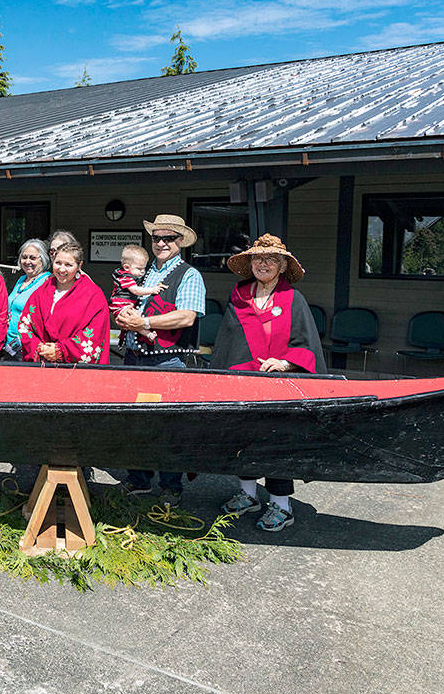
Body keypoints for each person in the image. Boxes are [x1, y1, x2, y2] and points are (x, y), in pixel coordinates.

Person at [212, 235, 326, 532]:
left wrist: (285, 362)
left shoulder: (294, 300)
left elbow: (306, 344)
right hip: (243, 383)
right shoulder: (238, 296)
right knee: (243, 438)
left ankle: (281, 504)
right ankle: (248, 494)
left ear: (283, 266)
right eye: (258, 259)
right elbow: (228, 342)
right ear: (250, 263)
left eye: (271, 260)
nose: (263, 264)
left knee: (276, 443)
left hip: (279, 385)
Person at [114, 213, 206, 506]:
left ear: (180, 242)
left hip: (168, 360)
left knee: (168, 427)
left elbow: (186, 316)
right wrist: (123, 316)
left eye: (169, 238)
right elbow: (123, 302)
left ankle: (171, 486)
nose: (162, 243)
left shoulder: (189, 275)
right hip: (133, 357)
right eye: (157, 238)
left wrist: (145, 322)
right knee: (135, 425)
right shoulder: (141, 273)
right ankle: (139, 479)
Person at [17, 242, 110, 365]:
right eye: (58, 263)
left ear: (79, 265)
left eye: (68, 265)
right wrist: (41, 349)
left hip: (75, 370)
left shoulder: (93, 295)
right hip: (42, 365)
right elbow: (25, 325)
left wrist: (60, 351)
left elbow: (96, 334)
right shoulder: (42, 290)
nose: (61, 269)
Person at [109, 244, 165, 354]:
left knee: (134, 321)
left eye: (144, 268)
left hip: (125, 305)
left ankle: (146, 334)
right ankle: (148, 334)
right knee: (134, 320)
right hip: (120, 305)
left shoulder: (131, 275)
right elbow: (136, 291)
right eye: (139, 269)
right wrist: (152, 290)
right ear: (126, 267)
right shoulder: (126, 277)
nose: (142, 272)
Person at [4, 239, 51, 358]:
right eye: (24, 257)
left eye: (33, 258)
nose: (27, 261)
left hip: (25, 345)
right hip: (8, 343)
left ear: (43, 259)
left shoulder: (46, 281)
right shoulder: (21, 280)